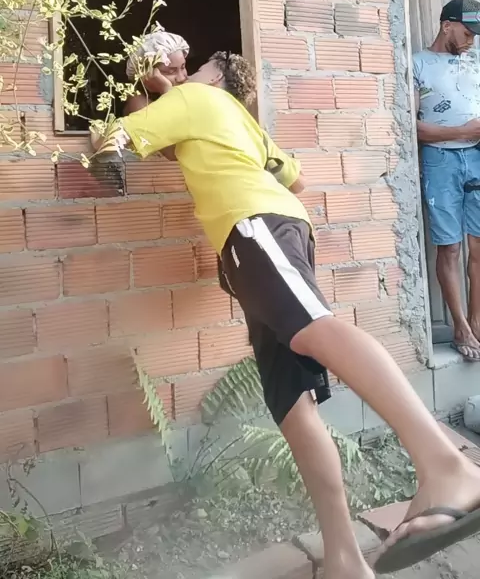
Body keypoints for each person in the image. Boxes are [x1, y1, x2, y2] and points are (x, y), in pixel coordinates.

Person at [92, 51, 480, 577]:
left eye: (196, 67)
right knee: (291, 406)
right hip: (272, 229)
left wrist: (151, 90)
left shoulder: (196, 98)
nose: (186, 73)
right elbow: (293, 179)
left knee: (311, 330)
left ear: (216, 77)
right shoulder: (239, 121)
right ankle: (343, 558)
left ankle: (446, 464)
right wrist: (168, 96)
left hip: (253, 228)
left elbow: (115, 136)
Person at [414, 0, 480, 362]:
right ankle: (460, 327)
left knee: (478, 247)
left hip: (478, 158)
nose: (471, 41)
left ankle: (477, 322)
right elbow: (412, 127)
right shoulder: (418, 64)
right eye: (467, 33)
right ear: (447, 26)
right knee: (450, 247)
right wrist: (462, 131)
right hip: (440, 160)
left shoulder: (476, 61)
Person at [124, 23, 189, 114]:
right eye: (170, 72)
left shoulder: (185, 87)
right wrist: (166, 90)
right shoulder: (139, 105)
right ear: (146, 73)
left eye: (183, 67)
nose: (181, 78)